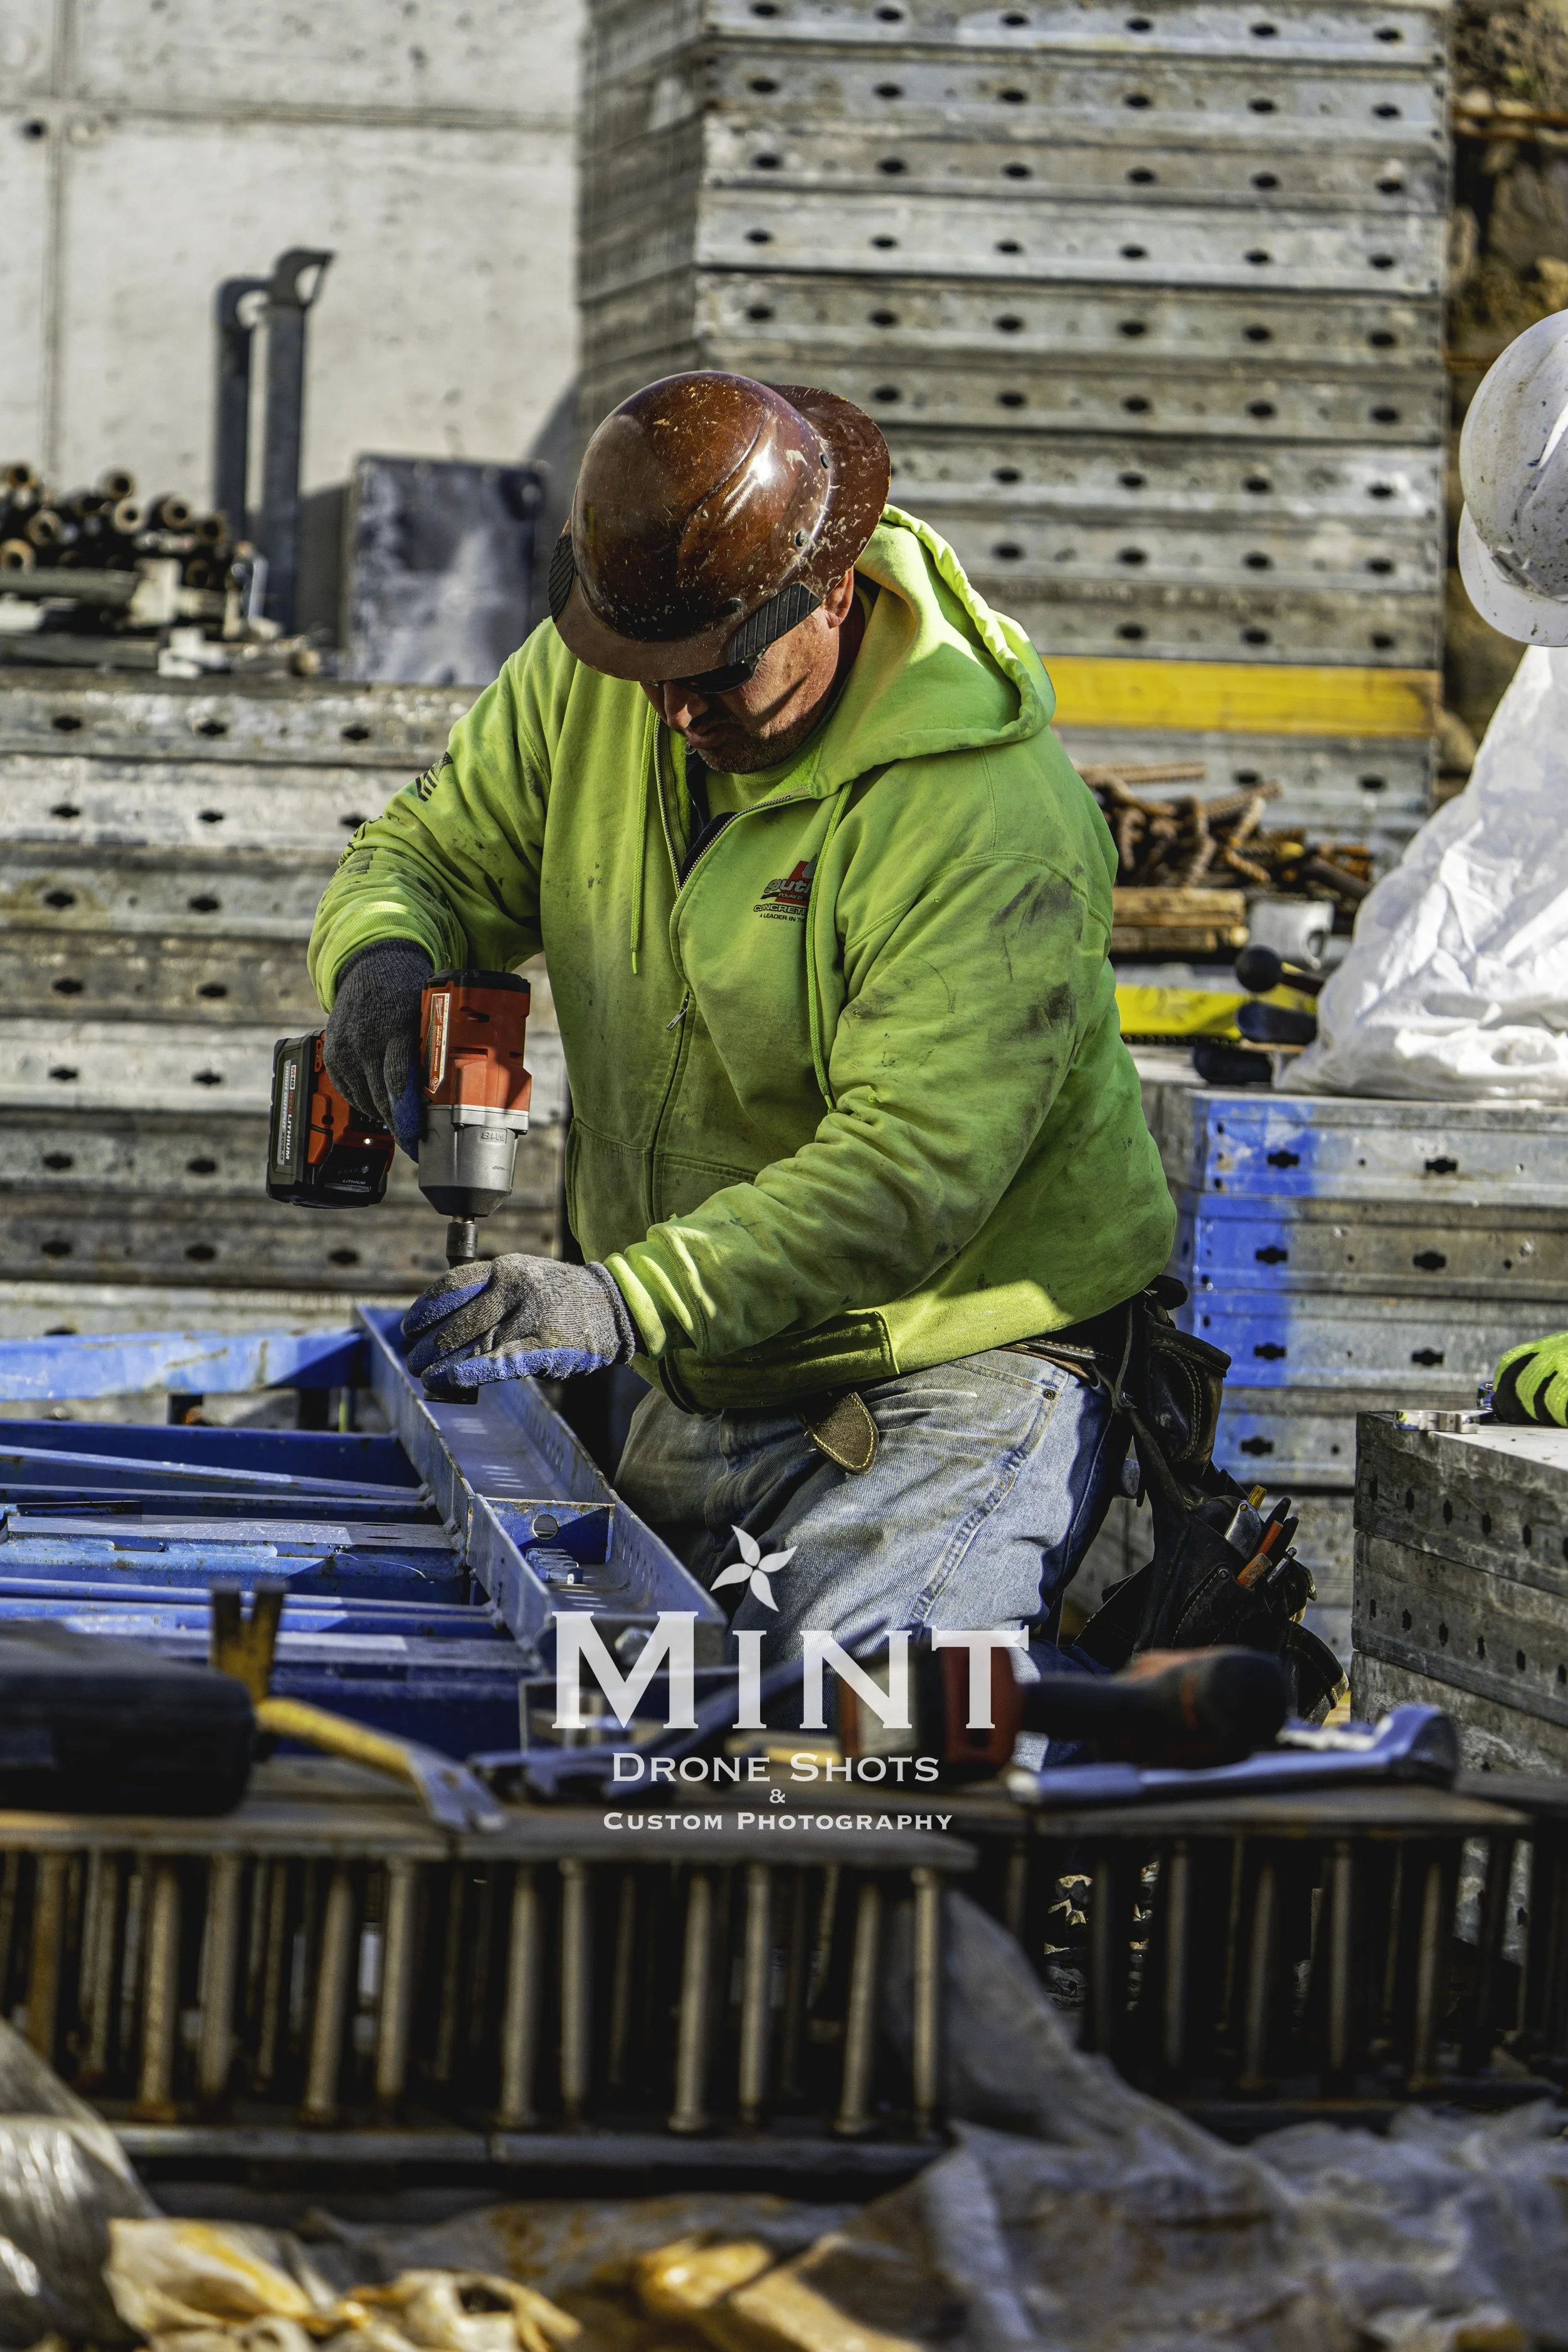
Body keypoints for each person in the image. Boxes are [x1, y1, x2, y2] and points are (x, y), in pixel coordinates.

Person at [307, 371, 1175, 1656]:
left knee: (857, 1757)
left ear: (829, 593)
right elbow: (431, 853)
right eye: (640, 668)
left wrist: (619, 1302)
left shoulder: (988, 825)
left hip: (945, 1371)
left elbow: (906, 1175)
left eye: (715, 672)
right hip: (703, 1355)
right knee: (630, 1730)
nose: (671, 708)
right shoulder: (611, 670)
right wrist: (379, 960)